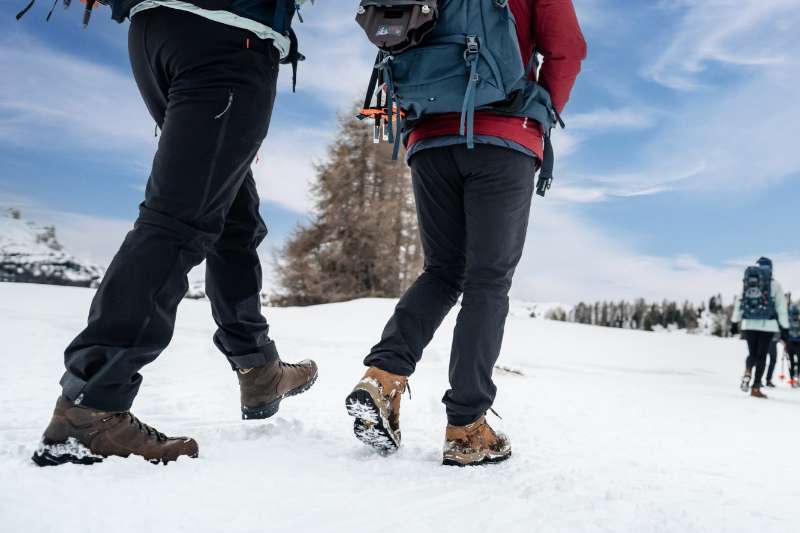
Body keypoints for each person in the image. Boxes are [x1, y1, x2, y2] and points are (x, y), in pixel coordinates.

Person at [32, 0, 318, 467]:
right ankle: (92, 407)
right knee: (179, 220)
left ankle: (257, 365)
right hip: (227, 34)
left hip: (157, 34)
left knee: (232, 215)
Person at [345, 0, 586, 466]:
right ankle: (466, 426)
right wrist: (541, 110)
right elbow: (567, 49)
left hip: (429, 139)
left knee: (442, 271)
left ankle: (383, 376)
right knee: (487, 280)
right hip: (504, 133)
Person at [731, 257, 789, 399]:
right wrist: (785, 328)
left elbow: (739, 302)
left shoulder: (748, 283)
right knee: (762, 356)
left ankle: (748, 370)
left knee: (752, 354)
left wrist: (734, 322)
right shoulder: (774, 285)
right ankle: (756, 387)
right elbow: (781, 308)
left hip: (749, 324)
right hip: (768, 326)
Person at [786, 303, 800, 388]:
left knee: (791, 362)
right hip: (798, 344)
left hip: (789, 344)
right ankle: (796, 378)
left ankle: (792, 379)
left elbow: (784, 334)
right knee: (798, 362)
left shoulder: (787, 322)